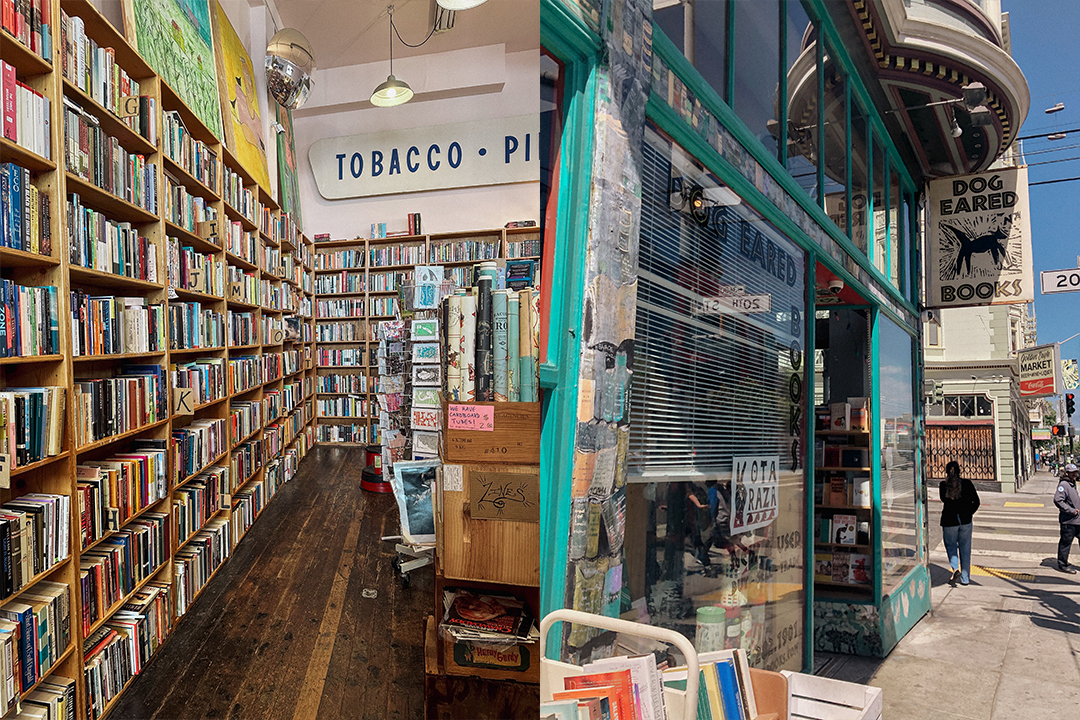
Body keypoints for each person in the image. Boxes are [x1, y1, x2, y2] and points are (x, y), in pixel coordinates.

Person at [940, 460, 980, 585]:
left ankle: (955, 567)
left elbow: (943, 499)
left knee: (950, 545)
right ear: (959, 471)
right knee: (965, 549)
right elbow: (976, 501)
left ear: (946, 472)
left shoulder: (943, 485)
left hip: (949, 521)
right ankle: (965, 578)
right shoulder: (967, 484)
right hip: (965, 521)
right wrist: (969, 513)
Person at [1053, 463, 1080, 574]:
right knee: (1065, 543)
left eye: (1075, 472)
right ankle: (1062, 565)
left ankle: (1063, 563)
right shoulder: (1064, 484)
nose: (1074, 474)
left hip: (1078, 520)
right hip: (1069, 521)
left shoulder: (1072, 484)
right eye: (1072, 472)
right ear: (1067, 473)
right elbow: (1057, 500)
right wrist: (1071, 511)